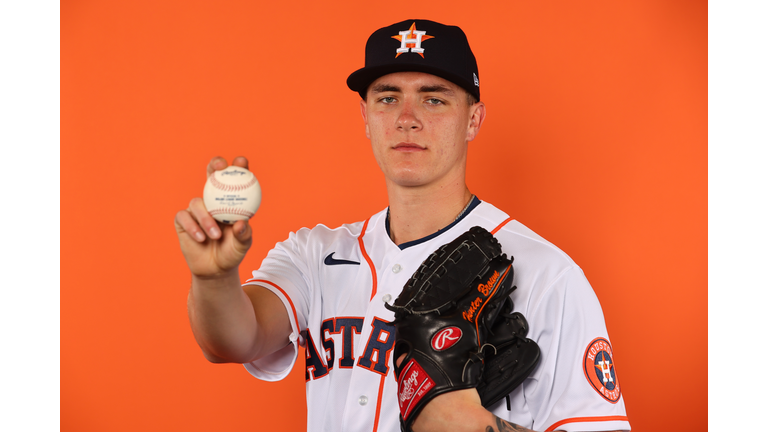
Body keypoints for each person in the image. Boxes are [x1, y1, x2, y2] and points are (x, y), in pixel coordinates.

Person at [175, 19, 630, 432]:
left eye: (434, 98)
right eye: (388, 97)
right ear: (366, 118)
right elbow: (234, 340)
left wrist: (474, 428)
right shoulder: (314, 254)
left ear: (473, 119)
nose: (406, 119)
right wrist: (213, 278)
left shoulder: (549, 275)